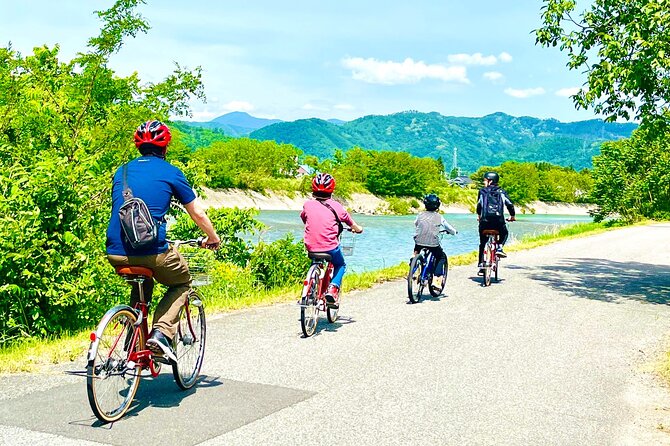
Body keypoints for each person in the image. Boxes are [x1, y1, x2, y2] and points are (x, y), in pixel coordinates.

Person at [105, 120, 220, 362]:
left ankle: (132, 337)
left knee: (142, 286)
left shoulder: (122, 171)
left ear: (139, 147)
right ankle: (161, 332)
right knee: (183, 283)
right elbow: (197, 213)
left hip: (115, 251)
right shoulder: (171, 172)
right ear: (165, 147)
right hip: (152, 250)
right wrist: (213, 237)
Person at [300, 173, 363, 309]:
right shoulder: (337, 206)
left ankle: (311, 289)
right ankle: (333, 289)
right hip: (330, 247)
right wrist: (358, 229)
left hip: (310, 246)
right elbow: (350, 222)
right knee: (341, 264)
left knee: (316, 258)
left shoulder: (307, 205)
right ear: (332, 190)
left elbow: (304, 218)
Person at [413, 194, 458, 287]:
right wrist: (454, 232)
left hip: (418, 240)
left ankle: (413, 265)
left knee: (416, 250)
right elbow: (448, 227)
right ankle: (436, 280)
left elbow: (416, 223)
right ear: (437, 206)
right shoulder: (439, 217)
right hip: (432, 242)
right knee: (440, 257)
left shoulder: (420, 215)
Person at [476, 171, 515, 272]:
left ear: (490, 181)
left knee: (482, 242)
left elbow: (479, 205)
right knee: (505, 233)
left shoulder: (482, 191)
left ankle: (481, 264)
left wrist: (479, 216)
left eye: (485, 180)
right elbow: (510, 204)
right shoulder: (502, 192)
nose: (484, 182)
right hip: (498, 222)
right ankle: (499, 248)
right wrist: (512, 216)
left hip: (484, 222)